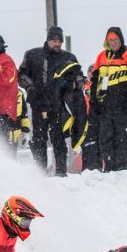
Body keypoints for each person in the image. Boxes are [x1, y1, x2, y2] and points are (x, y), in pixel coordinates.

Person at [20, 26, 87, 175]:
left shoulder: (69, 58)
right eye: (54, 40)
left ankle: (61, 173)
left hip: (59, 106)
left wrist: (74, 83)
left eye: (59, 41)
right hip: (38, 105)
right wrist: (30, 87)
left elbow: (79, 78)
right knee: (38, 140)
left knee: (59, 140)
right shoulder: (33, 55)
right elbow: (22, 75)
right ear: (48, 40)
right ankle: (40, 173)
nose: (57, 44)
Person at [88, 27, 127, 172]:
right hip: (106, 107)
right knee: (105, 138)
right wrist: (94, 102)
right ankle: (108, 168)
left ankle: (123, 169)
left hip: (124, 106)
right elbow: (95, 80)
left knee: (124, 138)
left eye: (116, 40)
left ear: (121, 40)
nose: (113, 43)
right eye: (110, 40)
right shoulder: (101, 57)